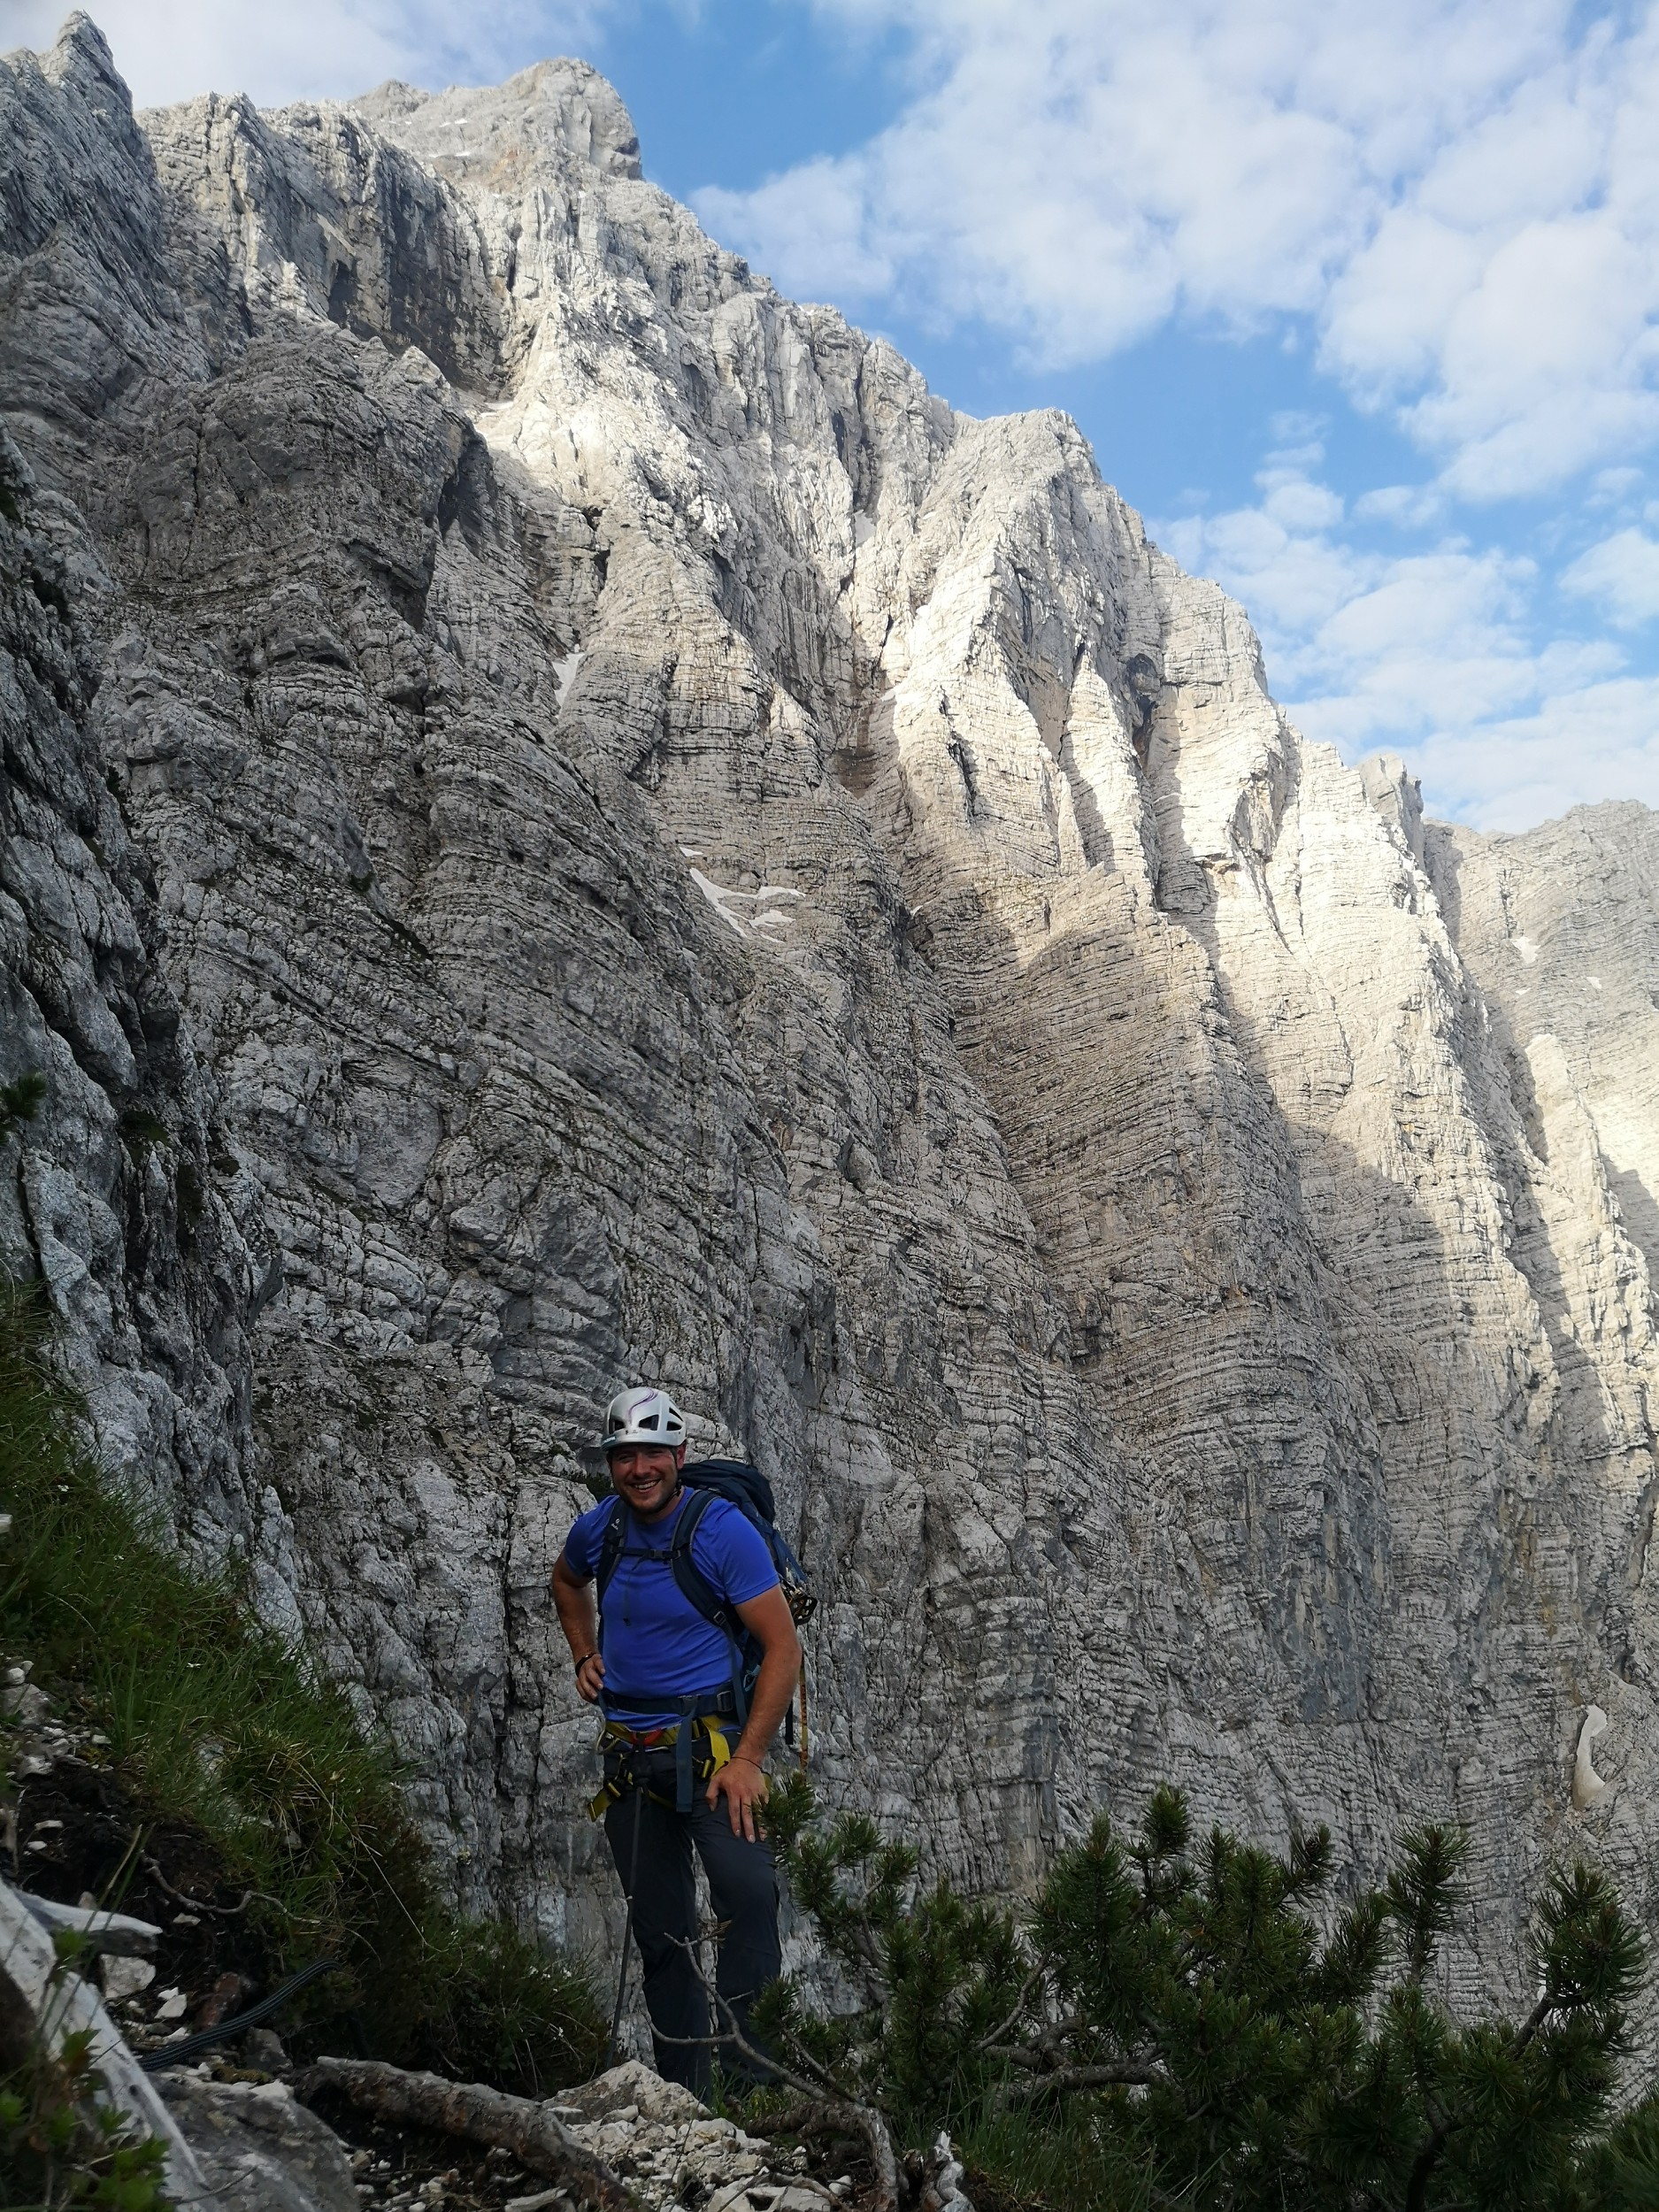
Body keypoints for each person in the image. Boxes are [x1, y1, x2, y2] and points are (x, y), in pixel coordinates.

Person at [551, 1386, 803, 2091]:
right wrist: (582, 1652)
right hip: (631, 1763)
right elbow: (567, 1583)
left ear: (680, 1457)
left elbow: (782, 1648)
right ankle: (686, 2096)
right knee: (660, 1937)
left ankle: (753, 2093)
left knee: (750, 1901)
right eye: (625, 1456)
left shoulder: (721, 1531)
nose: (639, 1469)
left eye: (652, 1454)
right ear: (611, 1464)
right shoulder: (598, 1530)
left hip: (717, 1759)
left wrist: (750, 1757)